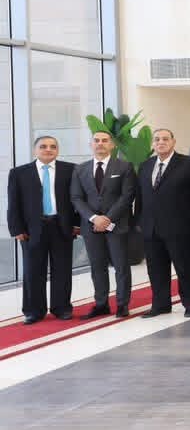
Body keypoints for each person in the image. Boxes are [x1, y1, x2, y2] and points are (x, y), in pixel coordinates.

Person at [7, 136, 77, 324]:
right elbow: (13, 203)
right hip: (31, 230)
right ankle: (33, 311)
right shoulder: (19, 173)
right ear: (35, 150)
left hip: (61, 227)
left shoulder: (71, 170)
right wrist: (16, 228)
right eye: (43, 146)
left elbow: (77, 199)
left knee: (62, 269)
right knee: (32, 271)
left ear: (57, 150)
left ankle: (62, 308)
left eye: (53, 146)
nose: (48, 149)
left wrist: (77, 224)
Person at [70, 131, 139, 319]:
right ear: (91, 144)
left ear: (112, 145)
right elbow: (76, 198)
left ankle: (122, 304)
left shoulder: (124, 166)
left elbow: (127, 196)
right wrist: (94, 218)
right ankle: (101, 304)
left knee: (121, 266)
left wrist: (107, 218)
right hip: (91, 226)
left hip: (117, 224)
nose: (100, 143)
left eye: (104, 140)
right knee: (97, 266)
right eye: (96, 140)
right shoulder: (80, 169)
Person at [137, 129, 190, 318]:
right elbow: (140, 196)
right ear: (153, 143)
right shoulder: (145, 166)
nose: (161, 142)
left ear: (173, 142)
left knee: (185, 268)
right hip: (151, 227)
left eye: (165, 139)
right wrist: (139, 220)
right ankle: (160, 305)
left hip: (180, 227)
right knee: (155, 269)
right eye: (157, 139)